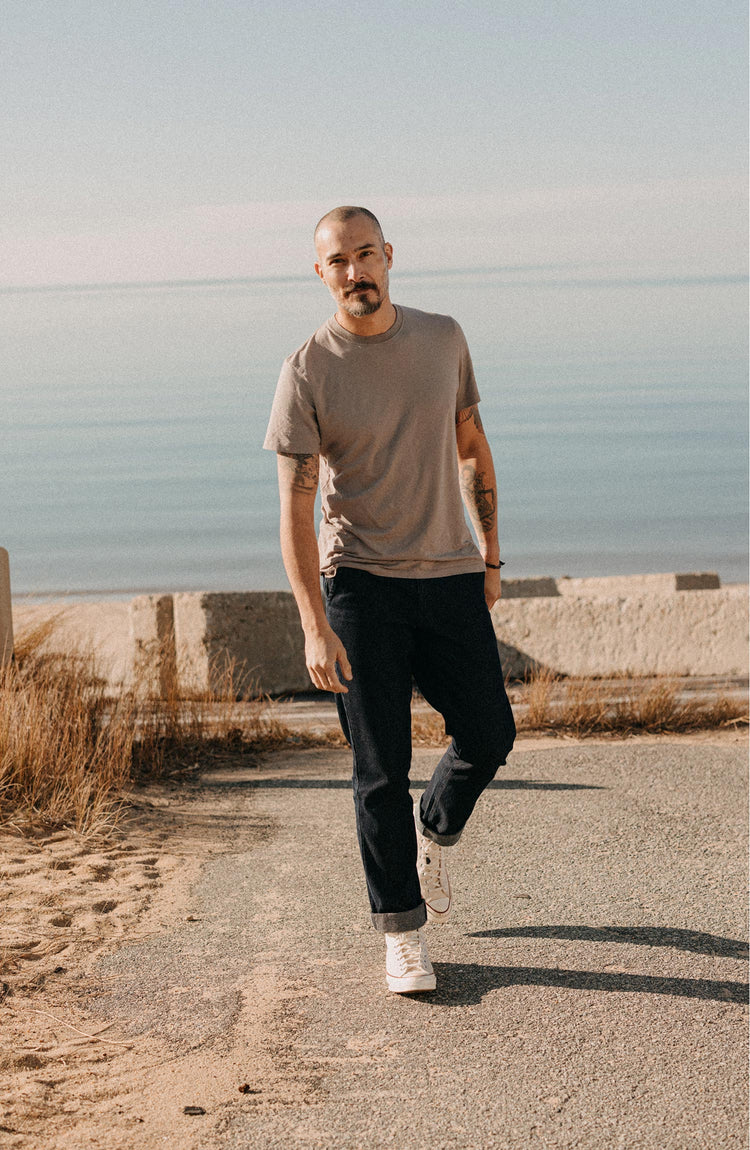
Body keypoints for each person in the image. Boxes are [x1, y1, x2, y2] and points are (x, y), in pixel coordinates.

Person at [263, 206, 515, 994]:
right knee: (380, 768)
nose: (355, 272)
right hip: (361, 585)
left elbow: (472, 445)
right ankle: (402, 933)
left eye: (366, 255)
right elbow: (294, 509)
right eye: (338, 261)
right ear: (321, 273)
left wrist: (493, 555)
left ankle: (433, 833)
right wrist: (312, 622)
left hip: (448, 573)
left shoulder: (443, 339)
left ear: (389, 256)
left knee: (489, 731)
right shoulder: (308, 368)